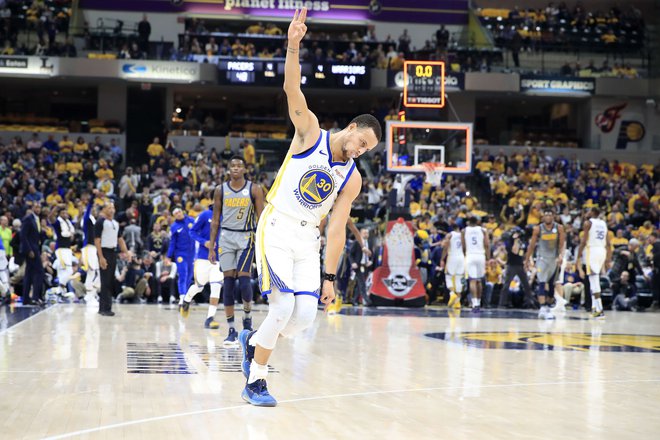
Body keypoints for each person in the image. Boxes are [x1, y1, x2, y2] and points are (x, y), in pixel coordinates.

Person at [238, 7, 381, 407]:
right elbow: (292, 92)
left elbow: (336, 229)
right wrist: (292, 47)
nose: (361, 151)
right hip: (277, 225)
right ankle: (256, 381)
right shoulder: (311, 133)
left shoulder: (351, 176)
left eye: (367, 150)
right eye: (362, 143)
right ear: (352, 128)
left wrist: (331, 276)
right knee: (282, 307)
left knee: (301, 320)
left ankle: (255, 340)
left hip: (307, 239)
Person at [208, 156, 264, 345]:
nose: (236, 168)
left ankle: (247, 318)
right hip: (226, 238)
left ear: (245, 169)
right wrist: (211, 247)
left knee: (244, 279)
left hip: (246, 237)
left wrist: (263, 243)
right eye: (233, 165)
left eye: (239, 165)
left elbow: (261, 219)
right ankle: (231, 329)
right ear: (228, 169)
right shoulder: (220, 190)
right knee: (228, 283)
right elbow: (215, 219)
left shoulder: (254, 189)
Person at [179, 204, 224, 329]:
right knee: (199, 286)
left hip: (219, 258)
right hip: (203, 258)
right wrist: (205, 242)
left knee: (216, 286)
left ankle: (210, 319)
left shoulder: (228, 216)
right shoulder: (205, 215)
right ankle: (186, 300)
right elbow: (192, 231)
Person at [525, 208, 566, 319]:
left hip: (554, 259)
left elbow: (561, 244)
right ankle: (542, 308)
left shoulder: (559, 228)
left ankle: (548, 306)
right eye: (545, 215)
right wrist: (527, 259)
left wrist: (561, 256)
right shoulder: (538, 229)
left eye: (549, 215)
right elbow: (532, 245)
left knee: (552, 285)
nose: (547, 217)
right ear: (543, 217)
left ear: (553, 216)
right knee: (542, 282)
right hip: (542, 259)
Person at [94, 202, 130, 316]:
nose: (111, 210)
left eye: (113, 208)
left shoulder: (115, 223)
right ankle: (103, 308)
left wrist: (126, 252)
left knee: (110, 280)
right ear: (104, 209)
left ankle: (107, 307)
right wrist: (101, 257)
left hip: (113, 251)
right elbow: (97, 240)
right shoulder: (100, 222)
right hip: (104, 251)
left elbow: (120, 240)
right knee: (105, 281)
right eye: (109, 208)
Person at [576, 207, 611, 319]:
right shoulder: (604, 224)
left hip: (592, 251)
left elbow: (584, 241)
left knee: (593, 281)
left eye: (588, 211)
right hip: (602, 251)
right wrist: (608, 259)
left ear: (593, 213)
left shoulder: (588, 223)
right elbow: (609, 244)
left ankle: (599, 310)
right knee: (594, 280)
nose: (587, 212)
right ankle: (595, 308)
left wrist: (578, 255)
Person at [499, 227, 534, 308]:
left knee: (526, 285)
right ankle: (502, 303)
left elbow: (524, 252)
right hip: (511, 265)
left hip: (520, 265)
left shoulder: (522, 242)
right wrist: (515, 240)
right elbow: (514, 251)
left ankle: (530, 302)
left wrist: (527, 261)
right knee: (506, 285)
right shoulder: (508, 242)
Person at [166, 208, 194, 306]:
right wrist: (169, 256)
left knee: (190, 276)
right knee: (183, 274)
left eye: (179, 212)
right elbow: (172, 243)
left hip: (192, 254)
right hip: (180, 254)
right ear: (174, 216)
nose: (178, 214)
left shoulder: (191, 221)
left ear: (182, 212)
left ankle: (187, 297)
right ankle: (182, 297)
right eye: (175, 213)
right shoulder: (174, 227)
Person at [463, 216, 490, 312]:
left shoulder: (464, 230)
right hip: (480, 256)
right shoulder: (483, 230)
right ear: (478, 221)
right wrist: (488, 258)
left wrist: (465, 255)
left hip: (470, 255)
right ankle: (478, 302)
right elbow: (487, 244)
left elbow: (464, 246)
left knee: (472, 281)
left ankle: (474, 304)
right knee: (479, 280)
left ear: (469, 221)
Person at [20, 203, 44, 306]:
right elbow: (23, 235)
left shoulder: (37, 219)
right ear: (32, 208)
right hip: (31, 250)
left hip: (36, 249)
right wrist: (29, 250)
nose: (38, 209)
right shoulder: (28, 218)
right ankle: (35, 297)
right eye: (36, 207)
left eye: (39, 207)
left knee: (29, 274)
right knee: (39, 272)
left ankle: (26, 299)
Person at [439, 224, 464, 309]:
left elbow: (445, 247)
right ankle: (458, 302)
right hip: (461, 258)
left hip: (452, 257)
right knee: (459, 279)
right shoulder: (463, 236)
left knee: (448, 277)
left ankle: (452, 294)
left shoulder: (450, 234)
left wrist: (442, 259)